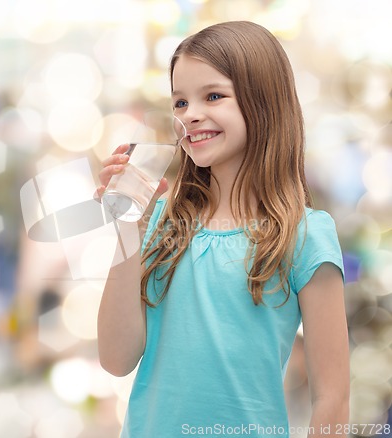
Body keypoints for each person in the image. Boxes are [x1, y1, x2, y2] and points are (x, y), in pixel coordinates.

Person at [96, 21, 349, 437]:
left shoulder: (305, 236)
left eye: (213, 96)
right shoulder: (157, 221)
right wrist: (128, 227)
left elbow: (333, 399)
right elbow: (116, 359)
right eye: (179, 103)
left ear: (264, 101)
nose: (190, 114)